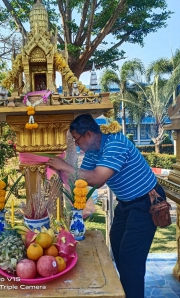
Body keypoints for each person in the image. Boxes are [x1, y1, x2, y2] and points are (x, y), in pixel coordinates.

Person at [46, 113, 166, 298]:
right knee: (117, 244)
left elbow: (97, 177)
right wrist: (60, 173)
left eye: (76, 140)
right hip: (126, 203)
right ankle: (125, 291)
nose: (76, 145)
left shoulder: (115, 143)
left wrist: (65, 166)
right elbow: (84, 178)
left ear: (88, 134)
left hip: (146, 202)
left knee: (130, 258)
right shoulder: (93, 149)